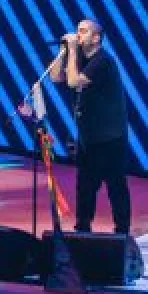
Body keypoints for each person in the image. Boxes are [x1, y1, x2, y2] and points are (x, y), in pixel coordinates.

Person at [48, 18, 131, 235]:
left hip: (111, 136)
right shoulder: (78, 57)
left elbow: (74, 81)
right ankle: (82, 228)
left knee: (115, 185)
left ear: (96, 38)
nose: (78, 35)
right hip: (89, 136)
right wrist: (63, 52)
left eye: (84, 31)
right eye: (78, 30)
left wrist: (72, 52)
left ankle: (122, 231)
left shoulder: (103, 61)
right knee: (85, 185)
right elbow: (55, 77)